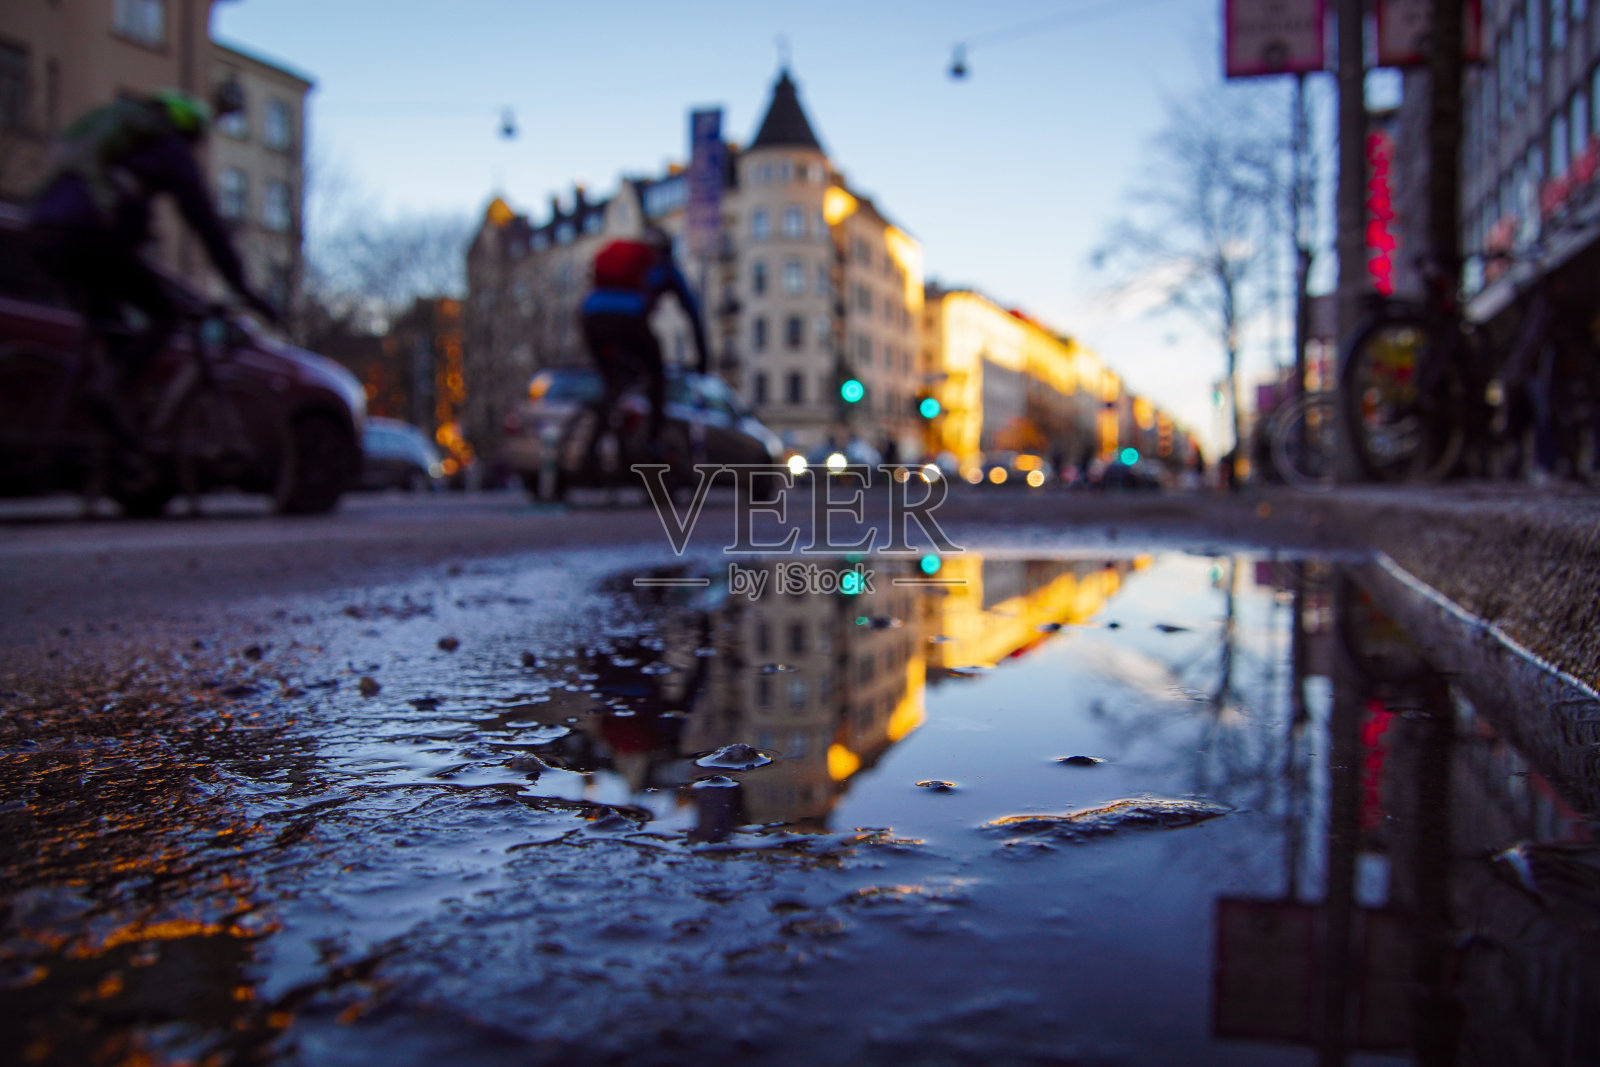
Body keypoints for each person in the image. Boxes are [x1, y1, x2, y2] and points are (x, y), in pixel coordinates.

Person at [26, 86, 280, 446]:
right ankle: (105, 392)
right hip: (91, 236)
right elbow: (205, 222)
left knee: (114, 332)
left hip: (44, 231)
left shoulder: (119, 147)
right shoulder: (169, 149)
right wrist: (242, 287)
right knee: (164, 315)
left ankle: (111, 443)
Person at [577, 226, 709, 467]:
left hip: (591, 317)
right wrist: (703, 359)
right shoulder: (665, 267)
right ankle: (652, 442)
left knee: (612, 384)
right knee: (656, 374)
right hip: (628, 318)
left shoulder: (626, 262)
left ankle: (591, 450)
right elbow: (692, 313)